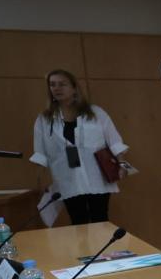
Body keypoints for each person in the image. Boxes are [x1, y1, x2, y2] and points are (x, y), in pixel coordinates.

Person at [30, 69, 128, 224]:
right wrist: (40, 180)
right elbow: (40, 153)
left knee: (100, 218)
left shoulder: (96, 113)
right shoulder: (45, 119)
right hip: (67, 178)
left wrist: (122, 165)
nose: (56, 88)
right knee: (78, 220)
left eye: (62, 84)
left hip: (97, 176)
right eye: (52, 85)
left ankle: (103, 241)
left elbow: (114, 141)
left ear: (74, 88)